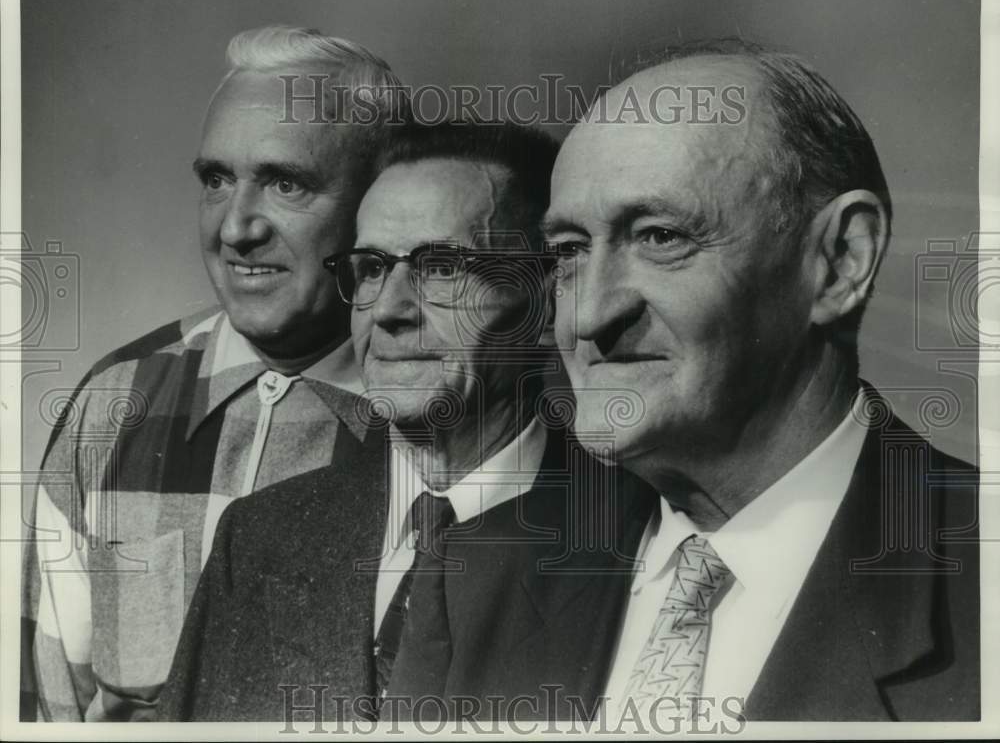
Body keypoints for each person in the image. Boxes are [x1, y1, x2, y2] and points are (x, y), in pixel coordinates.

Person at [542, 39, 979, 723]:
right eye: (568, 252)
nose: (590, 314)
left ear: (839, 262)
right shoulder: (484, 580)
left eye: (660, 236)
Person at [157, 122, 655, 722]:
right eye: (371, 268)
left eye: (441, 266)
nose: (389, 310)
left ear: (549, 300)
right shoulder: (257, 538)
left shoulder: (638, 535)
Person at [21, 26, 405, 721]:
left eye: (287, 183)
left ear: (379, 204)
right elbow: (46, 706)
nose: (235, 229)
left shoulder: (442, 414)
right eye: (217, 180)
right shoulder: (116, 403)